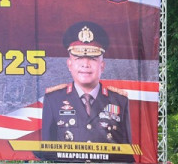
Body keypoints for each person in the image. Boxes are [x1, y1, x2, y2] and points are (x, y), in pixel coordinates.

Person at [39, 21, 132, 156]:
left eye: (92, 59)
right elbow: (47, 152)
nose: (85, 64)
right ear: (69, 64)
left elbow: (127, 152)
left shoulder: (119, 100)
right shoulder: (53, 99)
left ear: (102, 65)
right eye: (78, 58)